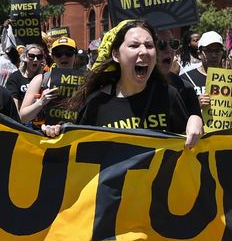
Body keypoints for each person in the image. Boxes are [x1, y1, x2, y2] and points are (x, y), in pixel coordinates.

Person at [40, 19, 202, 148]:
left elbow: (188, 149)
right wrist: (55, 134)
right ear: (116, 55)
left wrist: (195, 120)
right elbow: (78, 153)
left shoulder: (168, 95)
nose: (144, 51)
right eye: (134, 45)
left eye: (149, 45)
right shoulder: (97, 104)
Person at [19, 37, 79, 124]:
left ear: (75, 56)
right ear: (53, 57)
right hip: (45, 135)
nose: (63, 57)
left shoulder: (86, 81)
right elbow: (23, 117)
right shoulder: (40, 80)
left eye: (68, 53)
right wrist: (41, 102)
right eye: (58, 54)